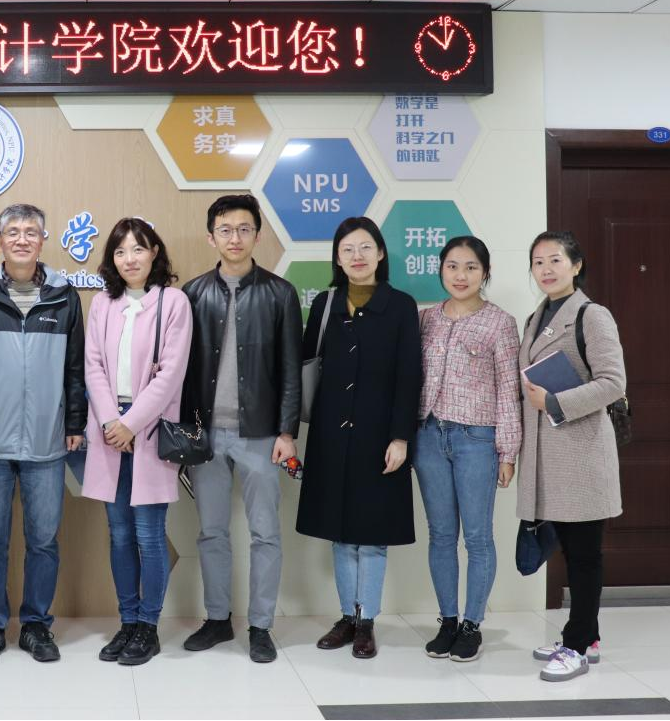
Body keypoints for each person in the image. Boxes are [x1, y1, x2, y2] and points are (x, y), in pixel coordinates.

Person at [0, 203, 86, 664]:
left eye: (31, 231)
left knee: (44, 541)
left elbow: (75, 369)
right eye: (13, 231)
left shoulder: (65, 298)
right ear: (0, 241)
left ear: (43, 240)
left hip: (48, 442)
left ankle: (35, 625)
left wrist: (74, 423)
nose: (22, 239)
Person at [179, 194, 301, 664]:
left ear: (257, 235)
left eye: (244, 229)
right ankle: (217, 619)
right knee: (211, 532)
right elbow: (180, 370)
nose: (235, 237)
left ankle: (261, 626)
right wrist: (185, 432)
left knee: (265, 533)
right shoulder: (192, 294)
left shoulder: (280, 293)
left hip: (261, 433)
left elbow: (290, 369)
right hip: (206, 435)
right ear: (211, 237)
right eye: (226, 229)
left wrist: (286, 433)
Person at [297, 216, 420, 659]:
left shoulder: (401, 305)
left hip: (379, 436)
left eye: (365, 247)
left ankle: (367, 620)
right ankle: (346, 617)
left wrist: (400, 437)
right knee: (341, 532)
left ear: (381, 253)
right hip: (331, 436)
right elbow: (307, 365)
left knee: (372, 535)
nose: (357, 256)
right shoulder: (326, 303)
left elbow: (409, 375)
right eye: (347, 249)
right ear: (337, 258)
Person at [82, 218, 191, 666]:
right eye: (121, 251)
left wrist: (131, 423)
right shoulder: (102, 303)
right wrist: (112, 421)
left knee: (149, 534)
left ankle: (149, 626)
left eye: (138, 249)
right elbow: (92, 365)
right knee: (120, 533)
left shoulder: (173, 302)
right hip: (109, 430)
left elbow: (171, 374)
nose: (129, 259)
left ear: (154, 253)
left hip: (149, 428)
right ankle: (127, 621)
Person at [518, 231, 625, 683]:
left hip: (581, 454)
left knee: (583, 555)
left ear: (576, 265)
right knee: (569, 551)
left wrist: (554, 402)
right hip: (549, 455)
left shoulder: (591, 315)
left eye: (555, 260)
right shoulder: (537, 316)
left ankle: (577, 647)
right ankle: (587, 636)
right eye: (538, 262)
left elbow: (613, 383)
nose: (546, 269)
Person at [413, 236, 520, 662]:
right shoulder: (425, 320)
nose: (461, 275)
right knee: (441, 535)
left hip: (477, 439)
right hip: (428, 437)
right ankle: (448, 621)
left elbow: (509, 390)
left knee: (477, 537)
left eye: (471, 267)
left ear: (485, 273)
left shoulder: (501, 323)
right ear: (440, 270)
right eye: (453, 266)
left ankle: (472, 624)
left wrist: (507, 451)